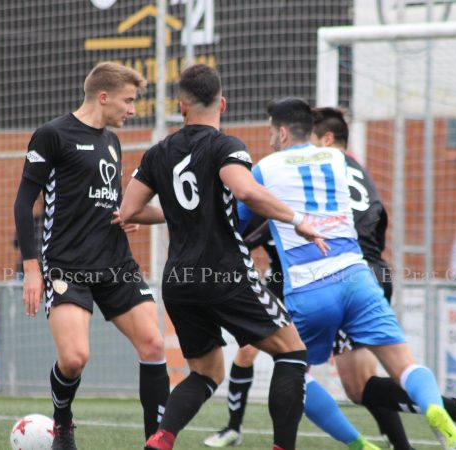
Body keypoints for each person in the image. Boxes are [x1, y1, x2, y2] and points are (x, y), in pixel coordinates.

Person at [237, 97, 456, 450]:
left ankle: (359, 444)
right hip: (357, 277)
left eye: (271, 132)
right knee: (404, 366)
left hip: (309, 286)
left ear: (282, 132)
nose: (270, 139)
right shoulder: (337, 158)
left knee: (295, 373)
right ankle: (435, 409)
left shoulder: (265, 169)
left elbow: (238, 222)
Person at [120, 64, 325, 450]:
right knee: (293, 352)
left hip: (179, 281)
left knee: (206, 372)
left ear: (181, 106)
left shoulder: (157, 153)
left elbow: (128, 211)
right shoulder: (226, 146)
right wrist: (298, 219)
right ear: (223, 103)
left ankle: (161, 439)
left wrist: (178, 213)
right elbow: (245, 191)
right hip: (225, 274)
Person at [13, 62, 169, 450]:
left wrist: (123, 215)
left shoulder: (112, 142)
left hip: (115, 262)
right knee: (75, 358)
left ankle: (156, 442)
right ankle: (62, 421)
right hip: (67, 265)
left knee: (153, 343)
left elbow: (104, 196)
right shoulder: (52, 135)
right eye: (128, 101)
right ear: (103, 96)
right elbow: (21, 203)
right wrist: (31, 268)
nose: (131, 110)